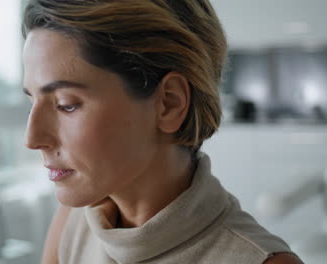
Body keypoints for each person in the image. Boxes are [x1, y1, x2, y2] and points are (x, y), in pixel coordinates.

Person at [21, 0, 303, 263]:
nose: (32, 139)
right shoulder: (74, 223)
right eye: (32, 101)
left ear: (169, 103)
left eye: (65, 105)